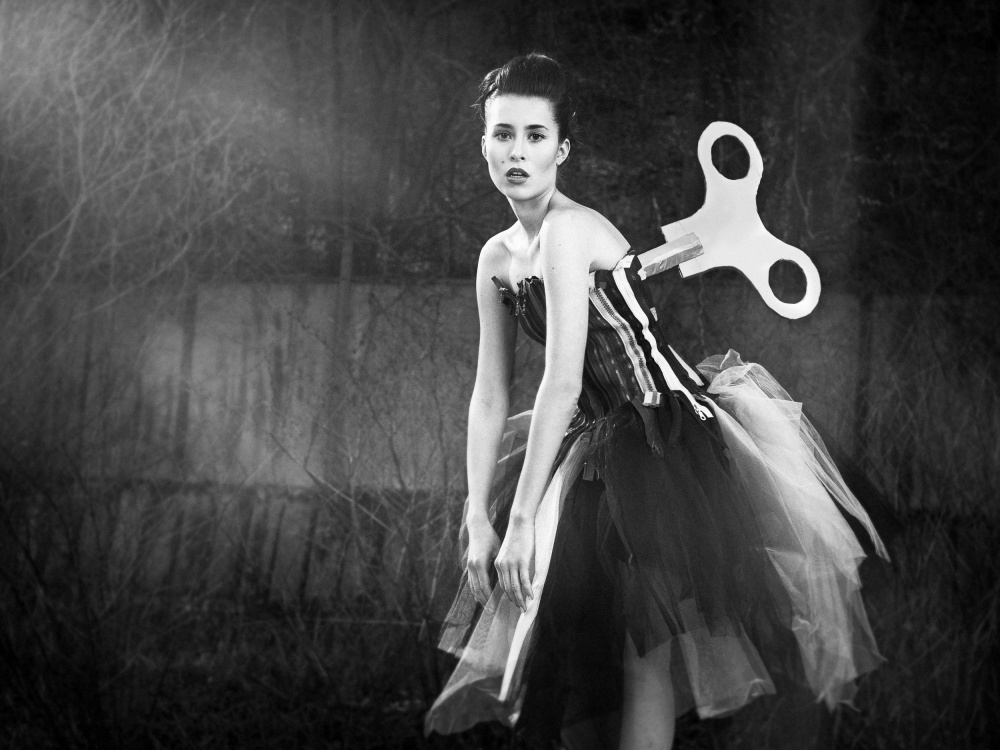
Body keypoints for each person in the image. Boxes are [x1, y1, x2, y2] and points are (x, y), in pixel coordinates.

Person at [424, 53, 887, 750]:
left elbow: (560, 381)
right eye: (503, 134)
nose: (517, 152)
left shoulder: (570, 230)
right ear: (483, 144)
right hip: (593, 448)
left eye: (535, 135)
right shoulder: (497, 257)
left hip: (664, 443)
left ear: (562, 150)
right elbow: (489, 393)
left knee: (646, 654)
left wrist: (520, 521)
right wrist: (475, 513)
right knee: (587, 654)